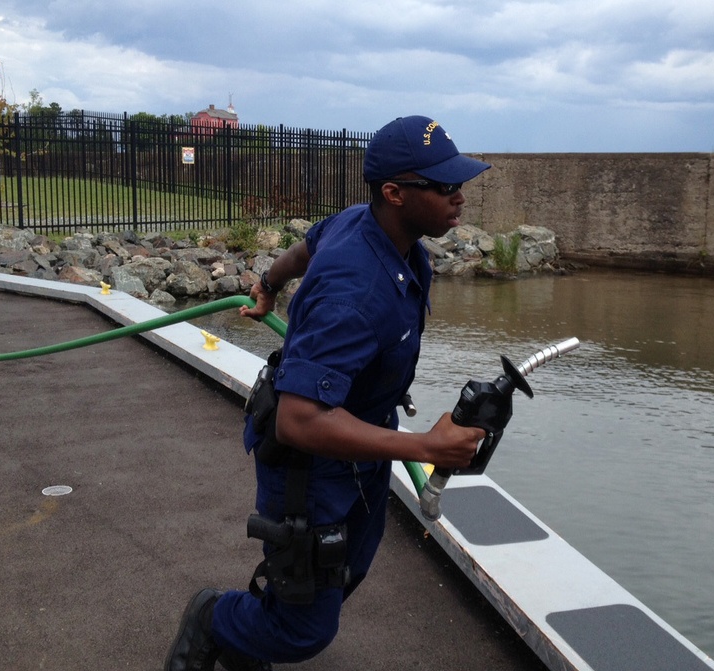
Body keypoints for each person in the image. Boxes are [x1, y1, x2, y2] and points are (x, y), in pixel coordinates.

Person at [165, 115, 490, 671]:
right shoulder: (353, 291)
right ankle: (215, 618)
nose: (460, 197)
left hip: (364, 443)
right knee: (302, 632)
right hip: (312, 469)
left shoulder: (370, 226)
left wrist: (268, 286)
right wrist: (426, 448)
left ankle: (253, 632)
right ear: (395, 193)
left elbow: (303, 250)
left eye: (459, 183)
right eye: (444, 186)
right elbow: (299, 420)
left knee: (342, 575)